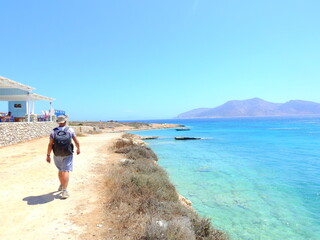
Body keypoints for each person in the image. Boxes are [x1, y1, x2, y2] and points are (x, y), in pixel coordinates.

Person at [46, 115, 80, 199]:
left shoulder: (53, 131)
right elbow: (76, 141)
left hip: (57, 153)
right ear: (65, 121)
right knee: (66, 170)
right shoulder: (70, 130)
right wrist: (78, 148)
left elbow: (50, 144)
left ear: (58, 122)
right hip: (68, 153)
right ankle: (64, 191)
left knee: (60, 170)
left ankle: (61, 185)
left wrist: (48, 155)